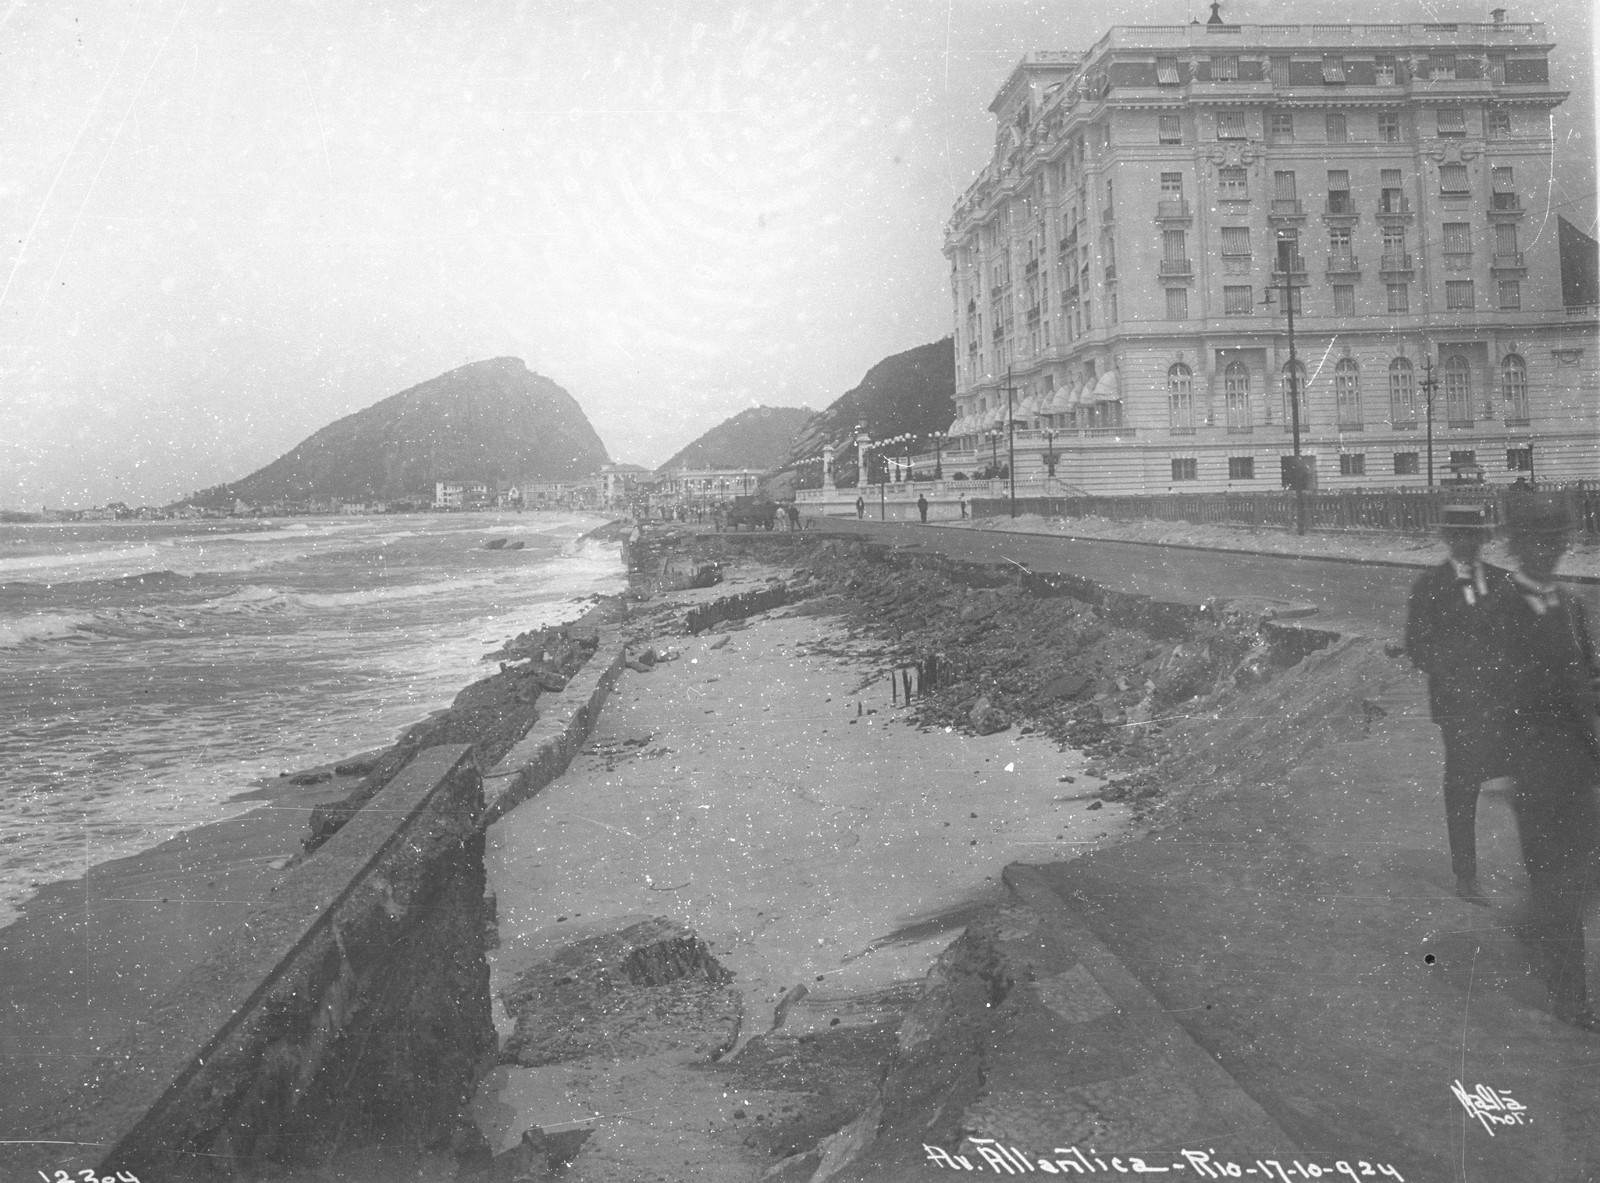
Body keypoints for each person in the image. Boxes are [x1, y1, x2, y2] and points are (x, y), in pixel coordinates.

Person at [1492, 491, 1600, 1031]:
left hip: (1581, 767)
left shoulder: (1574, 608)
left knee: (1571, 883)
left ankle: (1537, 929)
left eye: (1555, 542)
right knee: (1562, 883)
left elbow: (1590, 681)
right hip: (1536, 768)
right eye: (1536, 542)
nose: (1548, 552)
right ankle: (1571, 998)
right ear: (1516, 546)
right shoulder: (1504, 610)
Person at [1403, 504, 1509, 905]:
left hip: (1502, 702)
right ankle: (1466, 876)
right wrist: (1459, 672)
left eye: (1475, 536)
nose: (1468, 543)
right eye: (1460, 536)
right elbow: (1418, 647)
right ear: (1449, 539)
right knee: (1463, 786)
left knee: (1525, 776)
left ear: (1484, 539)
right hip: (1460, 704)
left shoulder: (1503, 582)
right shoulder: (1430, 585)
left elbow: (1516, 638)